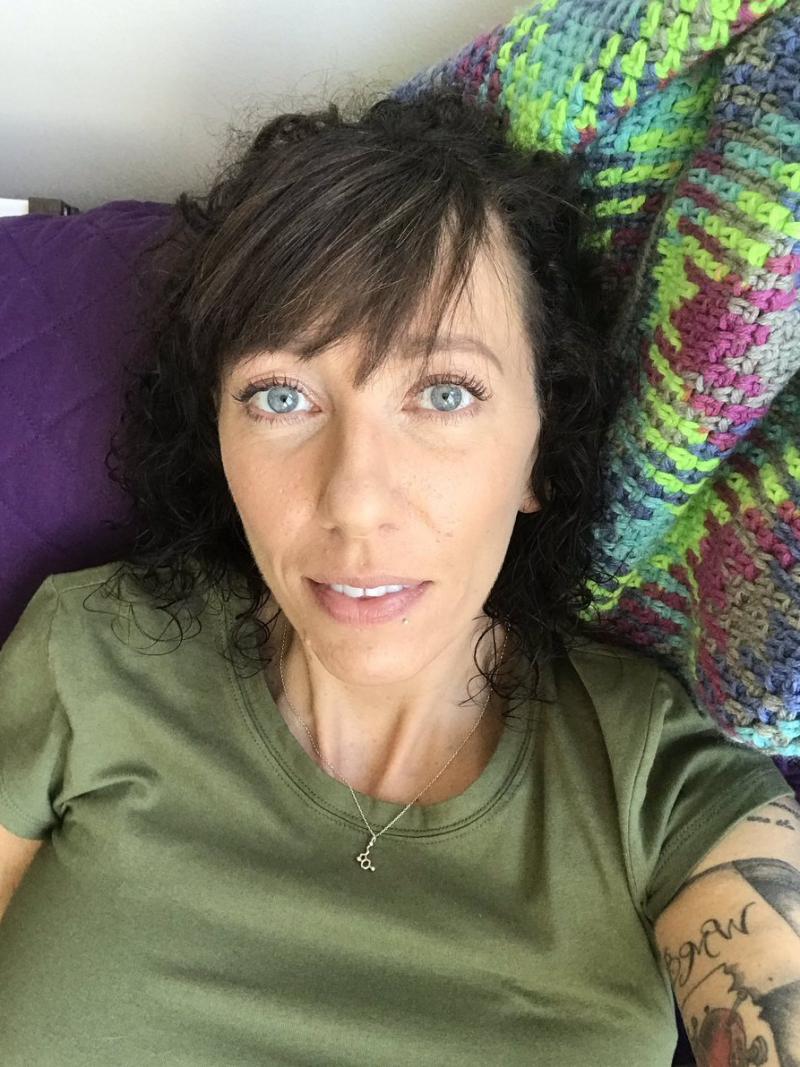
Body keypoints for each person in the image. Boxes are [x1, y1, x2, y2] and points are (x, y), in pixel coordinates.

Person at [0, 86, 795, 1065]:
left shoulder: (657, 782)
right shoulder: (89, 652)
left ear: (540, 453)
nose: (355, 499)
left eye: (444, 392)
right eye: (280, 396)